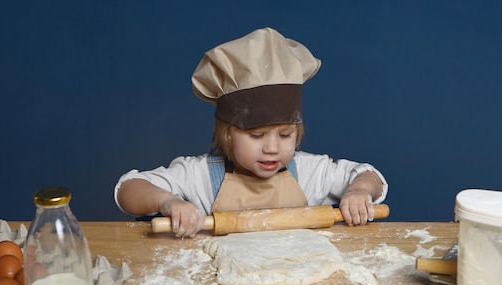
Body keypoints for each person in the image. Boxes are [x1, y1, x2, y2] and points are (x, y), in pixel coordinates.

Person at [114, 27, 388, 238]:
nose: (272, 148)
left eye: (285, 135)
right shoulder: (200, 178)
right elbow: (128, 190)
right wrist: (168, 202)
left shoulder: (308, 173)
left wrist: (359, 191)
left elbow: (369, 176)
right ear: (228, 133)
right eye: (256, 136)